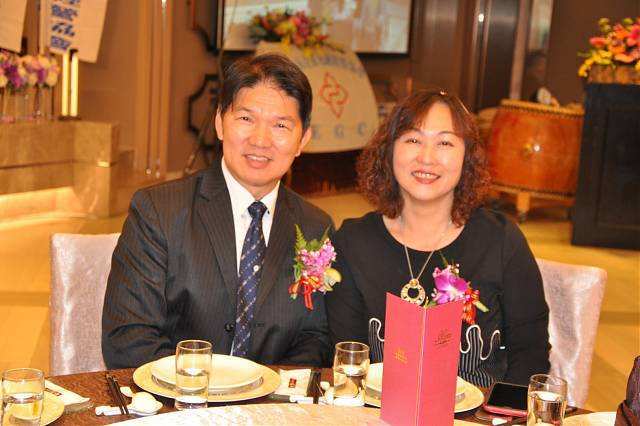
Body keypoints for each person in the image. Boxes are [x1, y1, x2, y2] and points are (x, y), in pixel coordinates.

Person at [102, 54, 333, 368]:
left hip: (273, 398)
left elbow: (315, 338)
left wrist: (269, 391)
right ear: (219, 122)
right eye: (246, 119)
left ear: (303, 139)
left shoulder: (315, 226)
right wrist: (207, 390)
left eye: (280, 125)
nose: (260, 140)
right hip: (177, 395)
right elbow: (128, 337)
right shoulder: (158, 211)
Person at [325, 89, 550, 387]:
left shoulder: (500, 240)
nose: (427, 158)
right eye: (413, 140)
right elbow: (347, 359)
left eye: (445, 142)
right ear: (389, 151)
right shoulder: (353, 242)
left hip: (481, 411)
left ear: (467, 157)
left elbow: (530, 354)